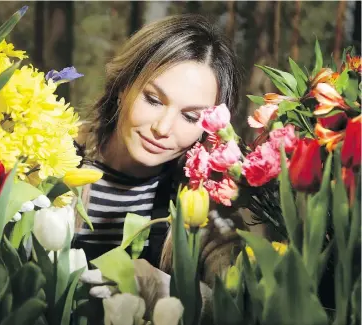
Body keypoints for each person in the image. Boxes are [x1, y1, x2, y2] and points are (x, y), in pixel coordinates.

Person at [72, 13, 246, 309]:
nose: (163, 129)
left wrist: (171, 293)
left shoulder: (205, 203)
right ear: (123, 87)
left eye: (190, 117)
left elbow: (239, 305)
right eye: (153, 100)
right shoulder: (50, 157)